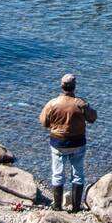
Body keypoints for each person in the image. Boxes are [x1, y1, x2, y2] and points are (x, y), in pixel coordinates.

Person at [39, 73, 97, 212]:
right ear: (74, 86)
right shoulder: (80, 103)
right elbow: (93, 118)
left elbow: (44, 122)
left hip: (58, 143)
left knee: (57, 174)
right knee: (78, 175)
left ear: (61, 86)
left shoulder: (52, 104)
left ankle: (57, 206)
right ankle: (76, 207)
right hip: (78, 143)